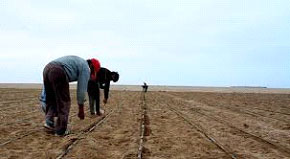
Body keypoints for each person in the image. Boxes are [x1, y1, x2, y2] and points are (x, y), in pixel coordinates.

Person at [42, 55, 100, 136]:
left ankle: (49, 123)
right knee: (64, 101)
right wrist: (81, 109)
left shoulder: (79, 61)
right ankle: (61, 131)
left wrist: (44, 99)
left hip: (47, 69)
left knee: (51, 99)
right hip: (58, 71)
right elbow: (81, 90)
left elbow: (47, 92)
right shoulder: (86, 68)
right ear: (92, 67)